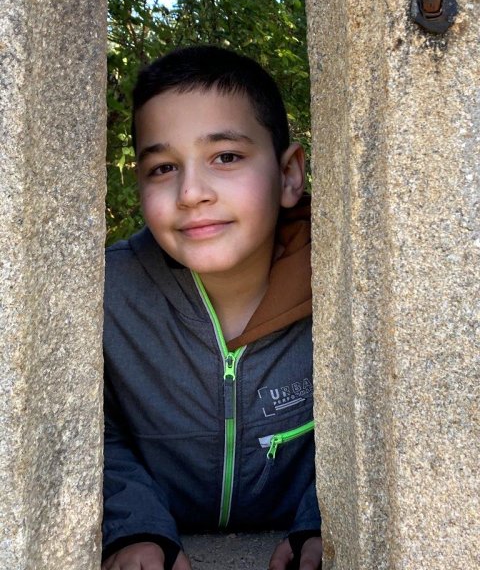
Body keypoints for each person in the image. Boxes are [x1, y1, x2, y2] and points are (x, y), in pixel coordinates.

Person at [102, 45, 322, 570]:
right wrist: (133, 528)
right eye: (162, 167)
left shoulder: (346, 292)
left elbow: (382, 428)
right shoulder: (106, 296)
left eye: (226, 157)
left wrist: (324, 524)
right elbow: (87, 431)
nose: (191, 192)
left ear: (289, 174)